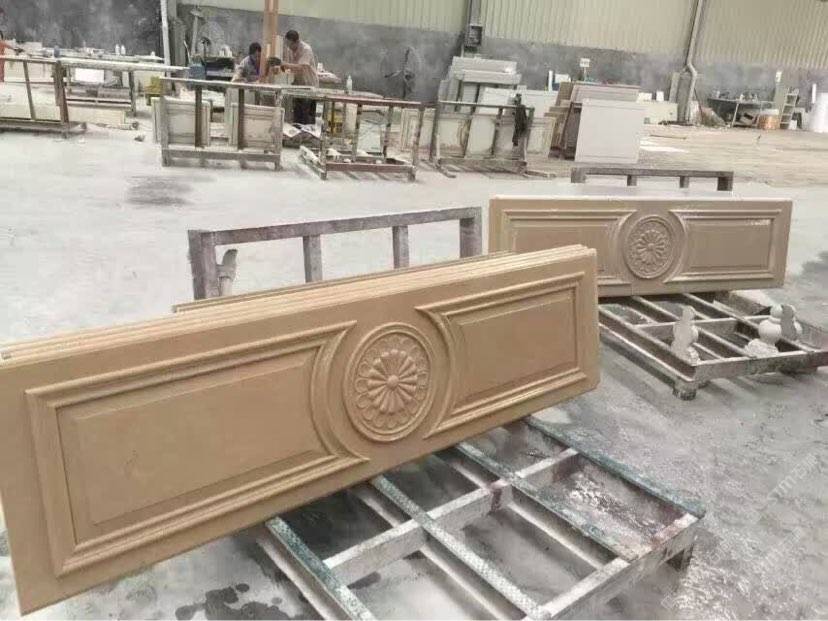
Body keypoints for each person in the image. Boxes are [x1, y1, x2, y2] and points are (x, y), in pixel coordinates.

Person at [280, 30, 319, 125]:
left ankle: (308, 132)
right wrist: (281, 67)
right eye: (287, 45)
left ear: (297, 41)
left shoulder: (306, 49)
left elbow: (301, 67)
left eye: (290, 45)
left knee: (307, 117)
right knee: (297, 116)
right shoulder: (290, 50)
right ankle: (297, 132)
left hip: (310, 85)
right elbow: (291, 67)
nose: (289, 47)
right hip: (298, 86)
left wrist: (284, 64)